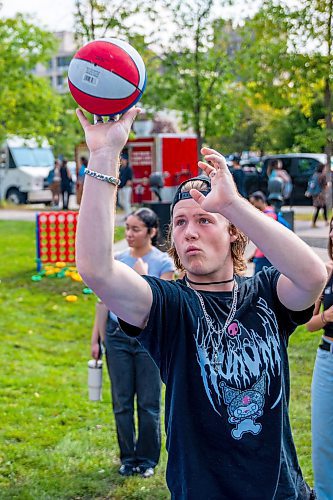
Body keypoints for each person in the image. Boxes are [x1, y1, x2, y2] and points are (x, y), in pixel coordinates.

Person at [76, 107, 326, 499]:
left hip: (282, 491)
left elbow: (313, 275)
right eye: (180, 222)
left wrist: (232, 205)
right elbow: (96, 269)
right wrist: (105, 154)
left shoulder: (266, 295)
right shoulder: (170, 307)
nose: (190, 231)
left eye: (205, 219)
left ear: (233, 235)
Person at [90, 207, 175, 478]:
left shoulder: (163, 263)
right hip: (117, 338)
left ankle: (147, 459)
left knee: (149, 403)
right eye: (127, 228)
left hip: (148, 340)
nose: (129, 234)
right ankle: (128, 458)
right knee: (122, 402)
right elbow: (103, 301)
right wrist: (96, 338)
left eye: (135, 229)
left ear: (151, 232)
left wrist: (142, 274)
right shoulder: (117, 261)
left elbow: (159, 306)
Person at [306, 218, 333, 500]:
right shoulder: (327, 272)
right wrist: (327, 316)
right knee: (324, 439)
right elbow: (310, 324)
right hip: (327, 359)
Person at [248, 191, 277, 273]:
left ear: (260, 201)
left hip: (264, 256)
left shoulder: (268, 216)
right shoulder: (270, 212)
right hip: (265, 255)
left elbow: (264, 238)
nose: (252, 206)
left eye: (253, 203)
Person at [306, 163, 328, 228]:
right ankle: (318, 222)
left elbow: (311, 184)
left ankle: (317, 222)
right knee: (321, 207)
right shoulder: (322, 176)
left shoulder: (314, 175)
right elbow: (325, 185)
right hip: (320, 195)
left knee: (321, 208)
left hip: (315, 194)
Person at [118, 150, 133, 215]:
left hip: (126, 188)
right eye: (121, 160)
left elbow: (130, 179)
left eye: (123, 160)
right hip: (121, 188)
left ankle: (128, 215)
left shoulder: (129, 169)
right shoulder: (120, 169)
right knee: (121, 202)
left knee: (126, 202)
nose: (122, 161)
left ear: (126, 161)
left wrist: (126, 185)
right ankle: (128, 213)